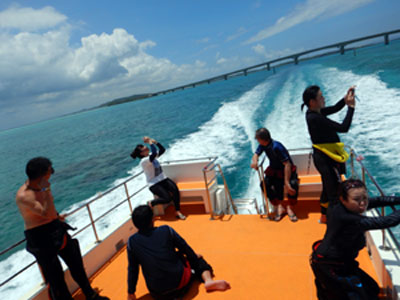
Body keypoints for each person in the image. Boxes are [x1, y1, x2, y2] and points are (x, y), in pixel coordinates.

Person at [15, 157, 109, 300]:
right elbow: (47, 213)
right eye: (50, 171)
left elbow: (50, 214)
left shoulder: (40, 187)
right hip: (40, 238)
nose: (52, 173)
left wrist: (57, 216)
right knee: (55, 277)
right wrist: (46, 190)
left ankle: (90, 295)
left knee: (76, 264)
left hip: (55, 229)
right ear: (42, 174)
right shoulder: (24, 196)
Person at [310, 179, 400, 299]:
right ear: (343, 199)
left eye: (365, 197)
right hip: (330, 266)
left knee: (372, 289)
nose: (363, 203)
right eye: (357, 200)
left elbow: (377, 201)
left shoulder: (338, 204)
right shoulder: (347, 218)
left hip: (345, 262)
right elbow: (387, 221)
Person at [127, 205, 231, 300]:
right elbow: (185, 248)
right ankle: (208, 281)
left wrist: (131, 292)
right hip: (182, 286)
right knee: (195, 258)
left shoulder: (132, 242)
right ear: (152, 219)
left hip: (159, 294)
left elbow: (133, 269)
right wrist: (194, 257)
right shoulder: (166, 230)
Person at [302, 85, 356, 224]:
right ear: (312, 102)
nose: (324, 98)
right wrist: (351, 108)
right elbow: (344, 128)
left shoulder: (316, 111)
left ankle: (324, 216)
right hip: (324, 159)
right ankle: (335, 225)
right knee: (334, 193)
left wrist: (345, 99)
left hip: (327, 156)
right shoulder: (314, 117)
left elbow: (335, 108)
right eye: (321, 96)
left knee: (327, 188)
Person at [130, 136, 186, 220]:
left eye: (145, 147)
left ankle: (177, 211)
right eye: (144, 148)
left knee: (175, 190)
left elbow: (162, 150)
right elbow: (154, 153)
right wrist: (150, 142)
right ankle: (151, 203)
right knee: (167, 198)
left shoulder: (150, 156)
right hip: (154, 184)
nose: (146, 148)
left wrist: (155, 142)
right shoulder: (144, 161)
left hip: (163, 179)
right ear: (141, 153)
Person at [250, 128, 299, 222]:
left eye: (258, 139)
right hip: (274, 170)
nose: (257, 141)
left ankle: (290, 207)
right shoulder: (263, 145)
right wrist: (255, 162)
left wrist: (287, 182)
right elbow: (256, 154)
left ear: (263, 139)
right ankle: (279, 206)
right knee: (264, 185)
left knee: (293, 185)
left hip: (286, 170)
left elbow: (287, 164)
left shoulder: (277, 147)